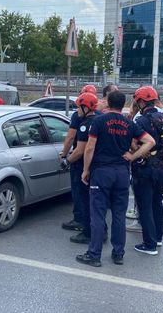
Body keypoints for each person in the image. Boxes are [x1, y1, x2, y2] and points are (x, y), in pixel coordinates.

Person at [77, 91, 155, 267]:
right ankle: (118, 254)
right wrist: (133, 157)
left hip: (102, 172)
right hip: (121, 173)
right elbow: (150, 141)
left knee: (98, 214)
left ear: (108, 103)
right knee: (119, 215)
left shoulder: (98, 121)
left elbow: (89, 147)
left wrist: (85, 169)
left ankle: (94, 254)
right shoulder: (129, 123)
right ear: (123, 104)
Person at [131, 86, 163, 255]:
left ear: (140, 102)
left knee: (144, 206)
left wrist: (140, 152)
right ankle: (158, 238)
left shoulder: (141, 121)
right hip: (162, 167)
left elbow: (131, 142)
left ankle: (149, 244)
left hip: (145, 168)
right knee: (157, 203)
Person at [60, 84, 98, 232]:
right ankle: (90, 223)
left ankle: (80, 221)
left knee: (79, 192)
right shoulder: (99, 116)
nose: (76, 110)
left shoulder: (81, 119)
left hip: (80, 160)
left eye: (78, 107)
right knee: (91, 195)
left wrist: (65, 157)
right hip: (96, 162)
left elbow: (71, 139)